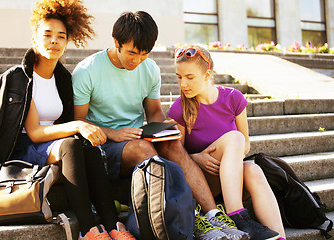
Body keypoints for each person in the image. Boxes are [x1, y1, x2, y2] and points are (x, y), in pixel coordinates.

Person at [72, 11, 249, 240]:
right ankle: (190, 220)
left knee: (172, 144)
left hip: (137, 137)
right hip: (103, 147)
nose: (137, 60)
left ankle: (213, 215)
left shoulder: (150, 69)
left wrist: (163, 129)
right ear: (116, 43)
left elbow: (154, 112)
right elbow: (80, 121)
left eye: (144, 54)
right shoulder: (88, 70)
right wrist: (114, 133)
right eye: (132, 53)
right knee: (142, 149)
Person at [0, 1, 135, 239]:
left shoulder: (62, 79)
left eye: (61, 36)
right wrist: (78, 126)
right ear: (34, 39)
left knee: (88, 149)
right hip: (24, 148)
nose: (54, 41)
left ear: (67, 42)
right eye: (47, 35)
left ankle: (113, 226)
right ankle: (87, 230)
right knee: (71, 144)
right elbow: (36, 133)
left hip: (50, 146)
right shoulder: (21, 78)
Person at [167, 45, 287, 240]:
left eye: (190, 77)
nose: (183, 84)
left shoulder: (233, 98)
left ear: (207, 74)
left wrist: (229, 157)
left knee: (253, 168)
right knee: (235, 138)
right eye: (179, 77)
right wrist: (196, 158)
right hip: (202, 185)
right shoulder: (179, 109)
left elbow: (245, 144)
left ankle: (280, 238)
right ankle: (237, 215)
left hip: (231, 180)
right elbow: (174, 156)